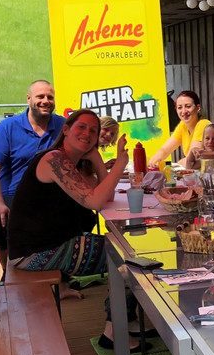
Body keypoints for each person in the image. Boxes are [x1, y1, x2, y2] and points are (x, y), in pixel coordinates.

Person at [7, 109, 127, 289]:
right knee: (126, 255)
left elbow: (106, 198)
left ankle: (120, 304)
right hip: (34, 253)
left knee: (126, 247)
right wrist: (120, 164)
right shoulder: (54, 159)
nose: (87, 133)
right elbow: (95, 202)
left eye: (93, 130)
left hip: (53, 243)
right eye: (81, 127)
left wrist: (96, 158)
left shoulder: (73, 163)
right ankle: (119, 307)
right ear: (66, 130)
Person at [0, 80, 65, 273]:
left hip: (50, 194)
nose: (46, 101)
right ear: (29, 99)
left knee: (76, 217)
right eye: (40, 96)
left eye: (50, 97)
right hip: (14, 194)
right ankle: (8, 272)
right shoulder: (8, 127)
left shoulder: (63, 125)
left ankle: (60, 273)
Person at [149, 89, 210, 168]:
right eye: (179, 107)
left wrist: (176, 164)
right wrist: (154, 160)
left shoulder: (203, 124)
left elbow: (191, 160)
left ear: (198, 108)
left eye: (188, 106)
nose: (184, 111)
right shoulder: (183, 125)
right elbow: (165, 149)